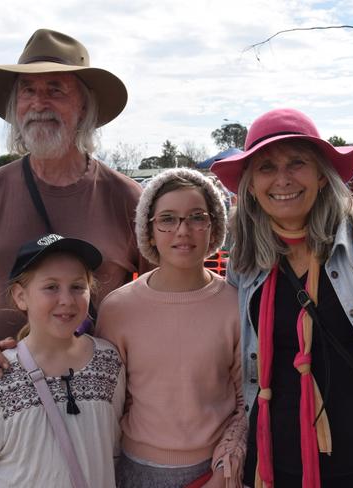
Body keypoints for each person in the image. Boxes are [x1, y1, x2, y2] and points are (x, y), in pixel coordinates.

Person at [211, 108, 353, 488]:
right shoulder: (246, 260)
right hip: (274, 468)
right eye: (266, 168)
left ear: (320, 174)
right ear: (251, 185)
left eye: (296, 162)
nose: (282, 179)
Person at [0, 28, 145, 389]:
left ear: (84, 106)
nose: (38, 103)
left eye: (55, 90)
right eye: (27, 91)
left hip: (102, 401)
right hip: (5, 399)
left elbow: (165, 299)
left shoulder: (127, 198)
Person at [97, 168, 247, 488]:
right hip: (135, 471)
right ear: (148, 231)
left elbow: (246, 399)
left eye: (196, 217)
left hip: (215, 473)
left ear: (213, 227)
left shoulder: (235, 304)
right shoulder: (117, 309)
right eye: (167, 219)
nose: (183, 230)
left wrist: (225, 468)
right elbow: (107, 405)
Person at [0, 234, 125, 487]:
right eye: (51, 287)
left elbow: (113, 450)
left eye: (77, 286)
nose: (66, 299)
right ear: (21, 297)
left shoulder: (109, 362)